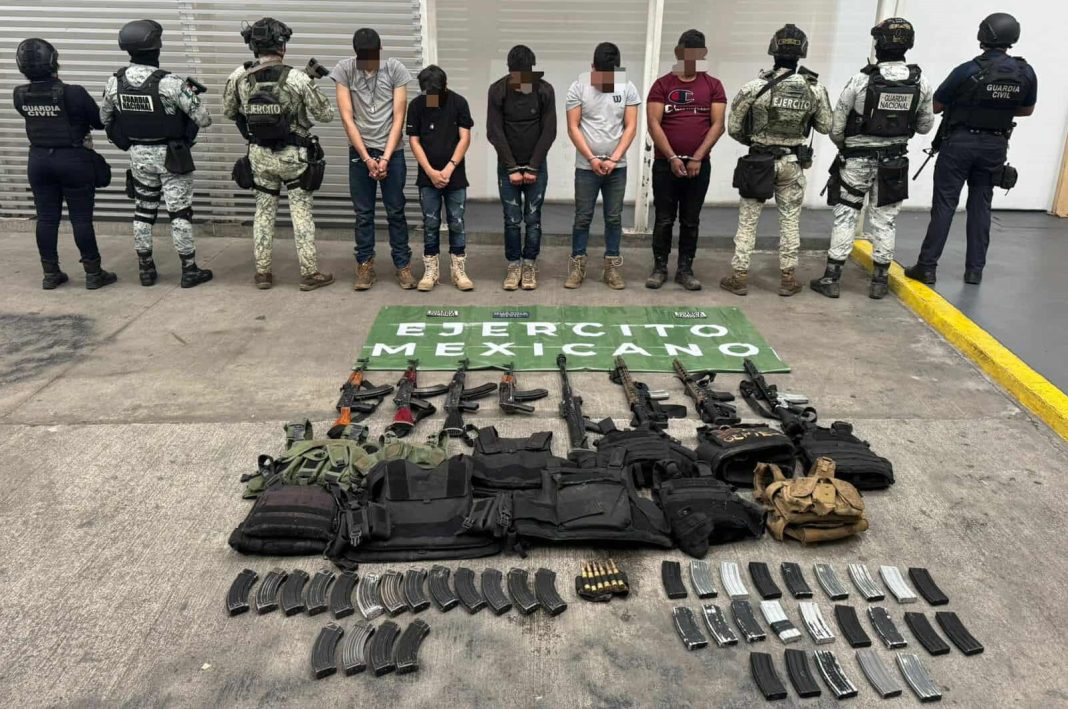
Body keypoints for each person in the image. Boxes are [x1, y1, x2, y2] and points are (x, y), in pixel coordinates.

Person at [904, 12, 1037, 286]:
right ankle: (975, 271)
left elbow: (935, 106)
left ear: (984, 35)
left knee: (945, 205)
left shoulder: (967, 70)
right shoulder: (1025, 72)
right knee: (981, 204)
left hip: (959, 144)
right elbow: (1026, 110)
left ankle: (927, 267)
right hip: (995, 146)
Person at [811, 17, 933, 300]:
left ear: (879, 44)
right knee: (885, 219)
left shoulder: (861, 80)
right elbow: (925, 126)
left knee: (846, 215)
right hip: (894, 162)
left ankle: (832, 278)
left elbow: (836, 126)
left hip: (856, 160)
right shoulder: (921, 82)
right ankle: (879, 282)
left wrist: (848, 146)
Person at [223, 17, 336, 291]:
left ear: (253, 46)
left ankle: (263, 273)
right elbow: (326, 114)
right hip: (293, 157)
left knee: (263, 212)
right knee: (301, 213)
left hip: (259, 156)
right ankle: (309, 273)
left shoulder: (239, 76)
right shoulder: (297, 78)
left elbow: (228, 111)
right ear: (282, 45)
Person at [720, 24, 832, 296]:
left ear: (773, 50)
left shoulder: (754, 87)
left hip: (759, 161)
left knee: (748, 221)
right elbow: (826, 126)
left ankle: (739, 276)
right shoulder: (814, 89)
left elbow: (734, 128)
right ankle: (788, 278)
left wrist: (756, 142)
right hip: (793, 163)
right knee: (790, 220)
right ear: (802, 53)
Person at [101, 20, 213, 288]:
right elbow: (203, 118)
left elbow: (104, 118)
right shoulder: (170, 83)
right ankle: (189, 270)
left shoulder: (115, 82)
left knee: (143, 211)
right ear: (157, 47)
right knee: (179, 214)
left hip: (139, 155)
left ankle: (146, 269)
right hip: (172, 156)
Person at [13, 38, 117, 290]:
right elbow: (99, 122)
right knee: (81, 218)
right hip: (73, 160)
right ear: (54, 62)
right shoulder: (74, 93)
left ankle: (50, 273)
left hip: (38, 161)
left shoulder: (20, 94)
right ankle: (93, 273)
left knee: (46, 219)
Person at [330, 28, 414, 290]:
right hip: (360, 151)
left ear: (380, 50)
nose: (368, 63)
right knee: (363, 213)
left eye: (372, 57)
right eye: (363, 58)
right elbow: (347, 118)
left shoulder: (395, 69)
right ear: (355, 54)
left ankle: (403, 265)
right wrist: (367, 158)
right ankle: (365, 265)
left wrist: (385, 157)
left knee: (396, 211)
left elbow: (399, 117)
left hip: (392, 151)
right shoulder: (344, 70)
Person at [645, 29, 727, 291]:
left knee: (690, 220)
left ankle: (685, 270)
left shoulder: (713, 86)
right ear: (677, 52)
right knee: (664, 218)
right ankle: (659, 268)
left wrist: (697, 158)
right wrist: (671, 157)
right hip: (665, 164)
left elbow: (718, 125)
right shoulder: (662, 85)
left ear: (703, 54)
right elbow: (653, 123)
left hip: (698, 166)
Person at [564, 42, 640, 290]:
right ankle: (577, 265)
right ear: (592, 68)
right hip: (587, 167)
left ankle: (611, 267)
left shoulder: (627, 87)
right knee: (582, 217)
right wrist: (592, 158)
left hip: (617, 167)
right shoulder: (578, 87)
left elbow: (631, 126)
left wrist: (614, 158)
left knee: (614, 218)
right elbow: (573, 126)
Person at [486, 45, 557, 290]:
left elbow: (549, 131)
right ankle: (514, 264)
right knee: (512, 219)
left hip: (536, 166)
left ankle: (529, 264)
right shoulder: (497, 90)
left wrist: (533, 167)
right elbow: (494, 131)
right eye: (517, 74)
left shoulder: (545, 90)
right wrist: (512, 168)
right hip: (508, 168)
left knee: (533, 218)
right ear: (509, 70)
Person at [406, 65, 475, 292]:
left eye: (436, 93)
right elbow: (414, 140)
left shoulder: (459, 103)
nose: (431, 97)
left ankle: (458, 270)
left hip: (455, 175)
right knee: (430, 223)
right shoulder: (416, 106)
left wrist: (449, 168)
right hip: (428, 177)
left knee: (457, 221)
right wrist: (430, 171)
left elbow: (465, 137)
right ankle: (431, 271)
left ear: (445, 87)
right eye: (428, 93)